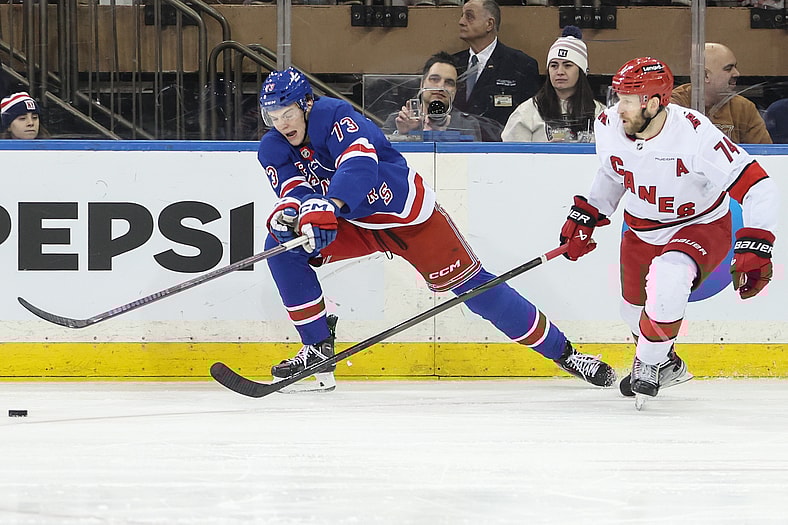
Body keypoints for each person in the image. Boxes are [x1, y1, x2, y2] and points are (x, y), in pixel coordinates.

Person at [257, 66, 616, 392]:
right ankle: (317, 347)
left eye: (287, 113)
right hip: (353, 222)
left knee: (480, 291)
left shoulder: (335, 116)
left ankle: (565, 353)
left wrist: (328, 206)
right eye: (273, 116)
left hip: (408, 218)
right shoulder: (272, 146)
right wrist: (291, 216)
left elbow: (359, 166)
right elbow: (293, 190)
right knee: (282, 246)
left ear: (306, 104)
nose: (282, 123)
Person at [558, 57, 779, 407]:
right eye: (617, 97)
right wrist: (588, 213)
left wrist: (758, 245)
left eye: (629, 100)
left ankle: (648, 362)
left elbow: (757, 185)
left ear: (655, 102)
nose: (619, 108)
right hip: (641, 228)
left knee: (670, 277)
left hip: (701, 224)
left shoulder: (695, 134)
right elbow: (615, 173)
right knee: (633, 311)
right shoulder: (608, 125)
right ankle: (668, 363)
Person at [452, 0, 540, 139]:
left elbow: (530, 117)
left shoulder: (521, 65)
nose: (461, 21)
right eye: (462, 15)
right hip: (452, 148)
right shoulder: (451, 64)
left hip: (500, 149)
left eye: (469, 16)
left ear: (489, 24)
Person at [501, 26, 606, 143]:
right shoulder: (527, 112)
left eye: (567, 65)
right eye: (554, 66)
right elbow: (511, 155)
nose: (560, 72)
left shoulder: (600, 113)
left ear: (582, 71)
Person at [670, 43, 772, 144]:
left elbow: (764, 154)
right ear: (705, 75)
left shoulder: (744, 108)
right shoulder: (672, 107)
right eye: (728, 69)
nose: (737, 73)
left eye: (735, 67)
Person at [381, 52, 484, 142]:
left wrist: (441, 135)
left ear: (455, 90)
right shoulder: (398, 119)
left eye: (449, 82)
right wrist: (403, 133)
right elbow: (383, 154)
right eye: (434, 79)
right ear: (422, 84)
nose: (441, 87)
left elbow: (471, 160)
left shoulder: (466, 124)